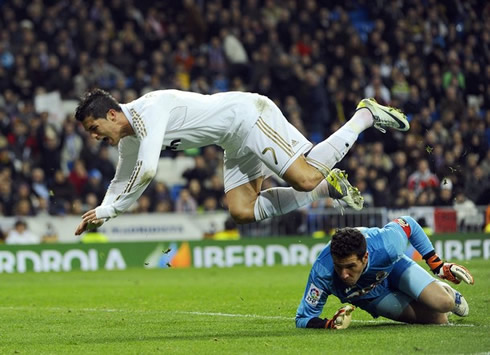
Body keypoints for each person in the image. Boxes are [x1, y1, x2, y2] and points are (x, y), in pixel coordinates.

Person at [73, 89, 409, 235]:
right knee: (241, 211)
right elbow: (120, 180)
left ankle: (364, 115)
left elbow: (146, 170)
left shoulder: (148, 111)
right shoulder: (129, 137)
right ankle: (327, 189)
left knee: (303, 177)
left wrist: (111, 210)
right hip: (231, 139)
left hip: (248, 117)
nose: (93, 136)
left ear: (112, 114)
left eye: (94, 128)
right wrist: (101, 211)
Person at [295, 216, 474, 329]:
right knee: (439, 319)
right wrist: (328, 324)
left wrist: (437, 265)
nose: (343, 274)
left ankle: (447, 292)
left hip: (394, 268)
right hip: (371, 296)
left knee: (444, 303)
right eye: (338, 266)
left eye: (350, 266)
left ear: (365, 257)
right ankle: (433, 294)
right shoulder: (322, 271)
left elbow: (408, 224)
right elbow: (303, 318)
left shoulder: (387, 245)